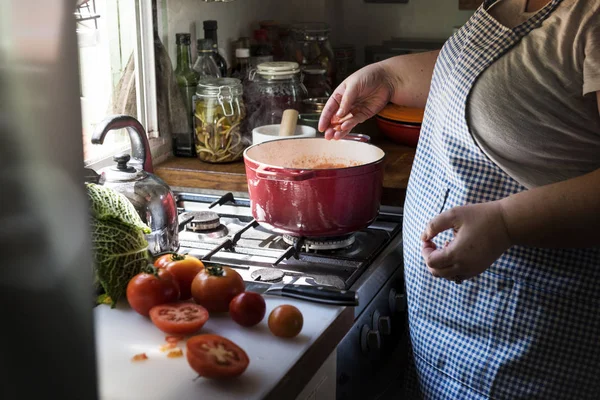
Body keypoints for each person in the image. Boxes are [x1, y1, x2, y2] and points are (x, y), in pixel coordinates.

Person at [319, 0, 600, 398]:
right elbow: (500, 73)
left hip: (530, 341)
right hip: (451, 329)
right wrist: (387, 77)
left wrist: (506, 222)